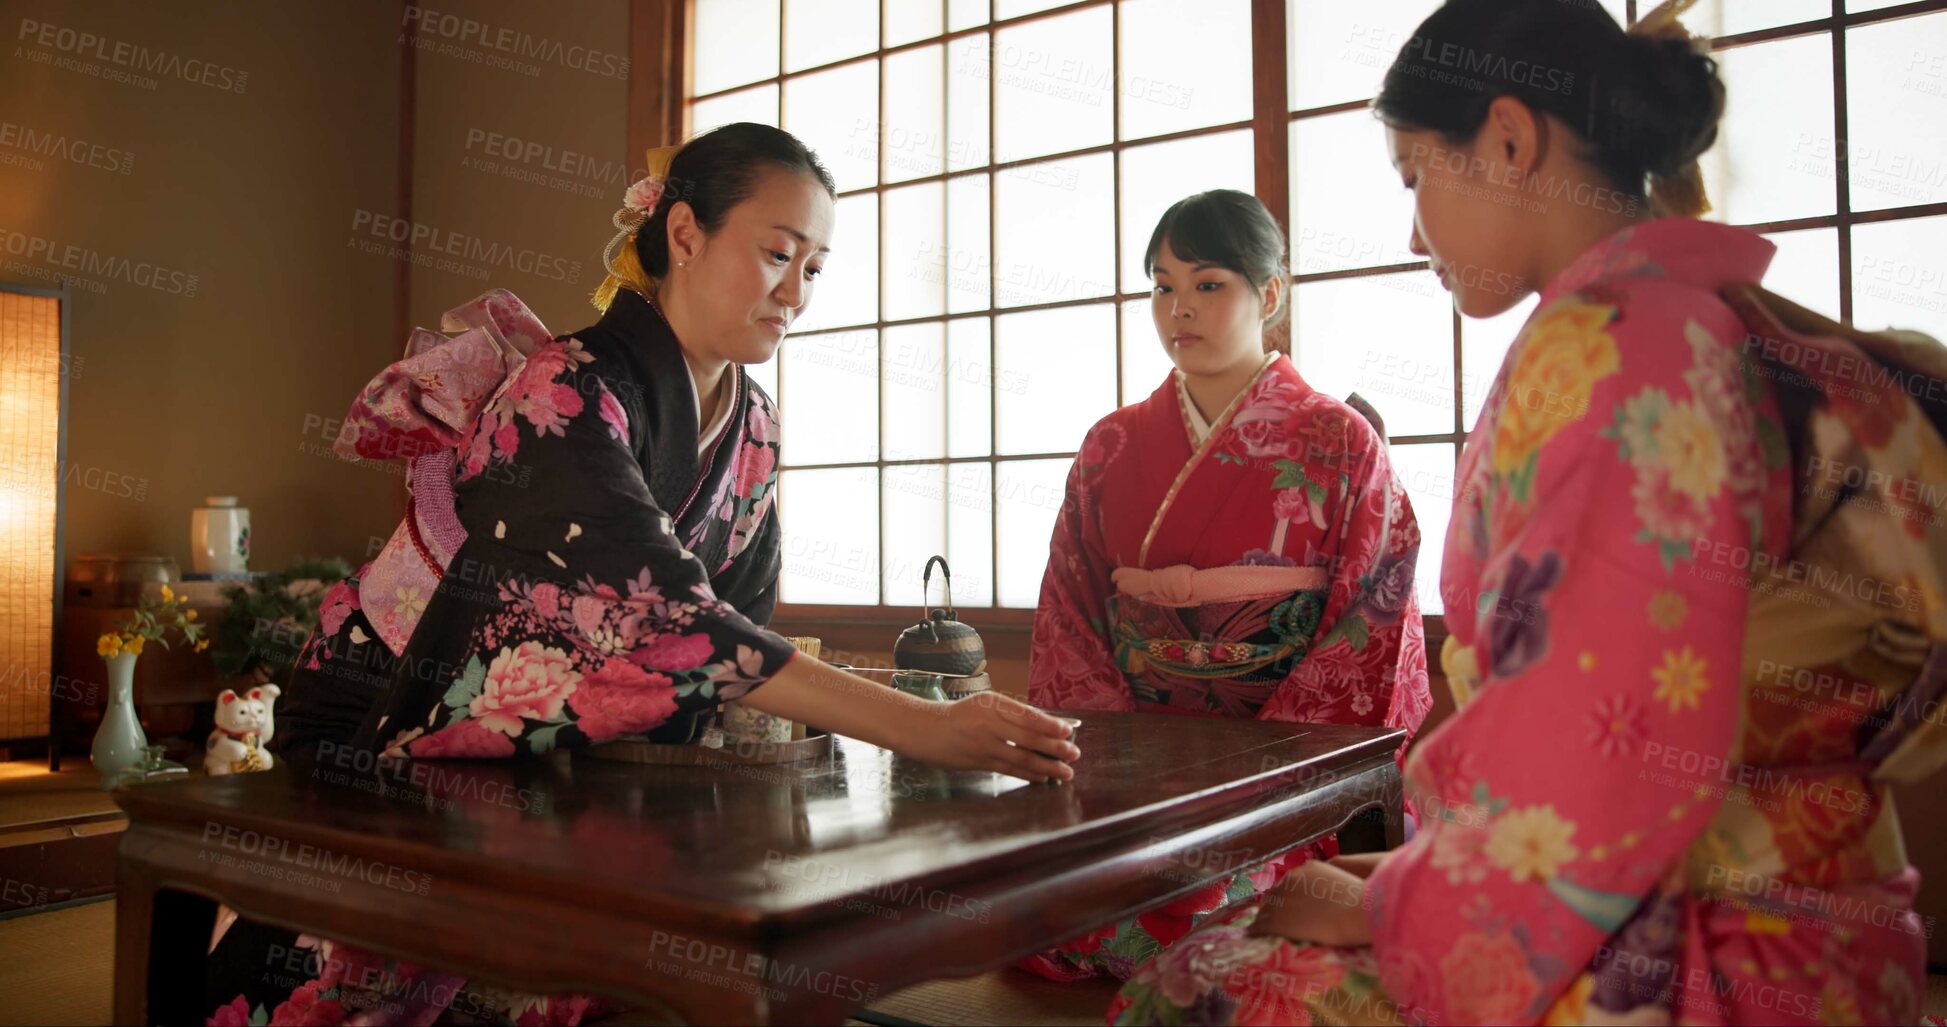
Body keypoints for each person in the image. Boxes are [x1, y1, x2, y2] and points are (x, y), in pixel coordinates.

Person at [1110, 2, 1947, 1024]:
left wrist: (1398, 903)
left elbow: (1605, 754)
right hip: (1817, 910)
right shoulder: (1724, 320)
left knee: (1196, 987)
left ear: (1509, 140)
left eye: (1417, 177)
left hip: (1690, 948)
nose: (1414, 230)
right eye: (1161, 288)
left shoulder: (1618, 351)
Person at [206, 122, 1079, 1026]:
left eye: (815, 269)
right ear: (685, 234)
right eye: (779, 253)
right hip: (394, 697)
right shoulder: (563, 388)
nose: (797, 293)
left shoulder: (755, 423)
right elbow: (670, 622)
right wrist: (921, 726)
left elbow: (738, 614)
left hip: (549, 734)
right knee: (360, 984)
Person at [1021, 189, 1431, 982]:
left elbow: (1371, 620)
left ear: (1268, 294)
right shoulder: (1110, 445)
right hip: (1136, 772)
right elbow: (1070, 614)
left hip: (1282, 784)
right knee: (1041, 908)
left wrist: (1269, 773)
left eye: (1208, 284)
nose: (1179, 308)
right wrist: (1121, 766)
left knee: (1211, 917)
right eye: (1161, 285)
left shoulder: (1338, 441)